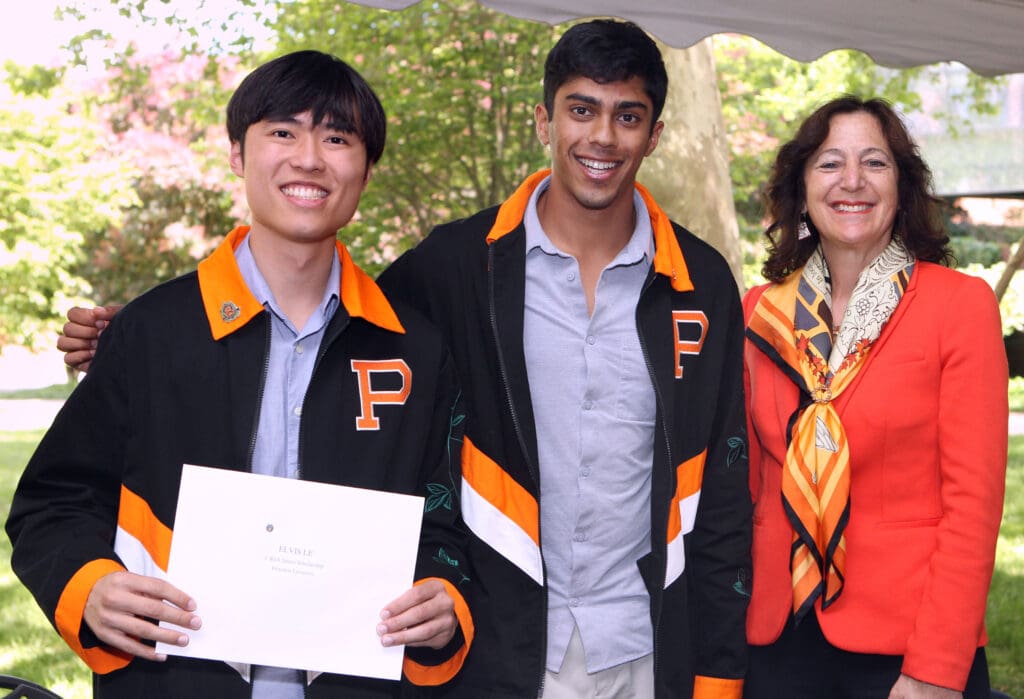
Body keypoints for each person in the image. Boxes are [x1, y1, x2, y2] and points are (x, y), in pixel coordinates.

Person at [56, 20, 752, 698]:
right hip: (494, 651)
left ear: (655, 135)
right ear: (545, 122)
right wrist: (133, 332)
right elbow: (303, 310)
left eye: (628, 116)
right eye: (581, 110)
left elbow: (720, 489)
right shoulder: (452, 266)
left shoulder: (702, 282)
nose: (602, 135)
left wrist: (718, 670)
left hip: (637, 641)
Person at [7, 50, 473, 698]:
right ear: (236, 153)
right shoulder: (151, 332)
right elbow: (53, 502)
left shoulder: (415, 350)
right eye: (283, 131)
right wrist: (90, 585)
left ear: (365, 170)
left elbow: (448, 520)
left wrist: (445, 596)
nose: (309, 158)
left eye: (337, 138)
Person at [742, 96, 1008, 699]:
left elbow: (974, 504)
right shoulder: (760, 313)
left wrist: (935, 668)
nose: (852, 181)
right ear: (802, 187)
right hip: (776, 638)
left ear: (902, 186)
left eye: (875, 163)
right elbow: (749, 485)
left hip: (908, 646)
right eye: (830, 163)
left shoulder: (958, 307)